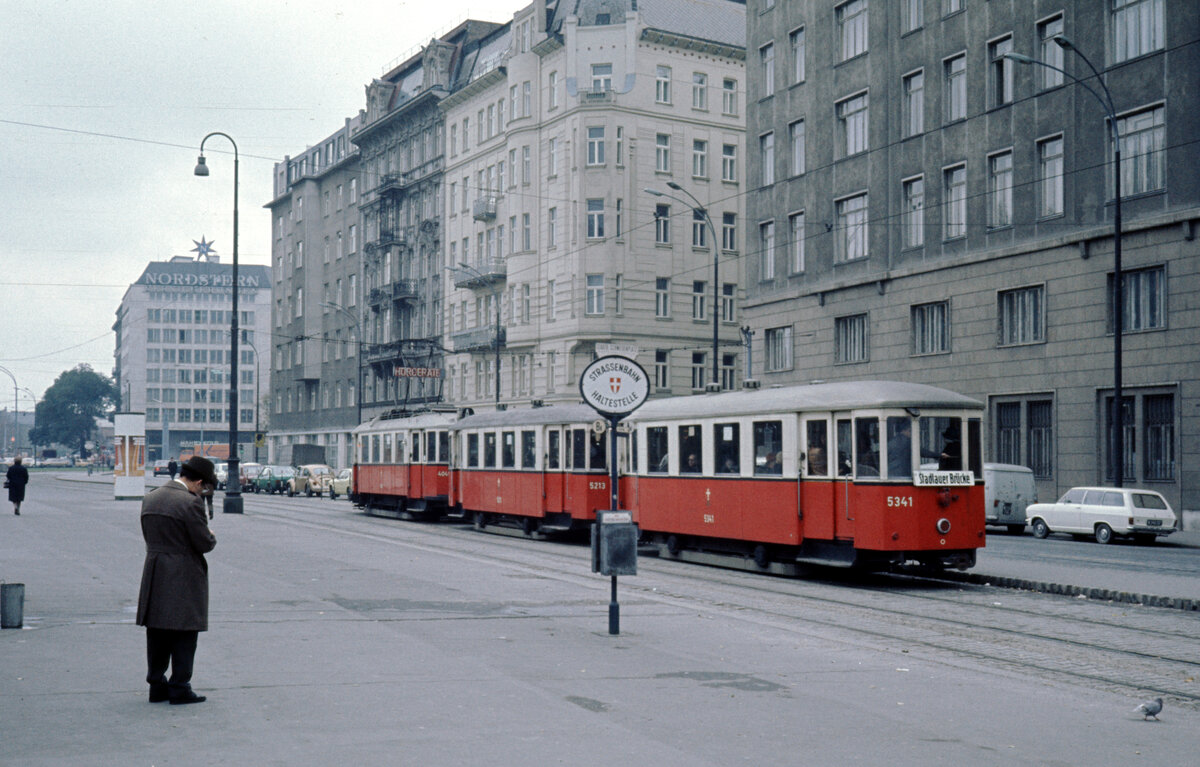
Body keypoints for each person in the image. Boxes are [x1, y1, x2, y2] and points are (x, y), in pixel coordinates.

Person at [136, 455, 217, 705]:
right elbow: (204, 543)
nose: (202, 491)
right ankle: (180, 686)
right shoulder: (190, 503)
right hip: (183, 571)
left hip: (155, 567)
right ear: (198, 482)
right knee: (184, 631)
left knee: (157, 629)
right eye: (203, 487)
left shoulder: (151, 497)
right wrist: (211, 535)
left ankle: (156, 684)